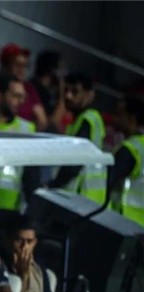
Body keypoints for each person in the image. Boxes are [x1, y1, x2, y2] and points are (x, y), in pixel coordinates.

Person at [0, 72, 40, 231]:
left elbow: (31, 176)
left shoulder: (27, 129)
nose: (21, 101)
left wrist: (31, 215)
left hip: (9, 211)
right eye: (15, 96)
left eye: (23, 97)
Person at [47, 72, 107, 205]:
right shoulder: (81, 120)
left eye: (75, 92)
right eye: (66, 91)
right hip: (87, 198)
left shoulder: (88, 120)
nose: (68, 96)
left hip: (81, 197)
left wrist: (53, 185)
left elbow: (75, 162)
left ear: (89, 95)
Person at [109, 95, 144, 227]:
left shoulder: (129, 148)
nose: (114, 118)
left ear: (131, 119)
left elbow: (109, 180)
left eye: (119, 114)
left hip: (124, 222)